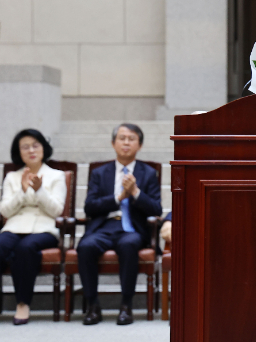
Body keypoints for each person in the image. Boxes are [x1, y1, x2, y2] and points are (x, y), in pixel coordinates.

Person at [77, 123, 162, 326]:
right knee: (85, 246)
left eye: (131, 139)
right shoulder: (99, 172)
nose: (126, 142)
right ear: (113, 143)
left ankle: (126, 305)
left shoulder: (148, 173)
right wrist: (118, 198)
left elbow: (156, 209)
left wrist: (135, 193)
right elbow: (89, 207)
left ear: (139, 145)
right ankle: (93, 305)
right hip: (104, 227)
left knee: (129, 244)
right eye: (122, 138)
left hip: (131, 228)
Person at [0, 129, 66, 325]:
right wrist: (22, 190)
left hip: (44, 229)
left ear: (44, 149)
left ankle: (22, 303)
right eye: (25, 147)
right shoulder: (12, 176)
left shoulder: (56, 176)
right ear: (18, 152)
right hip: (14, 226)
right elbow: (5, 211)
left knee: (25, 248)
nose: (31, 150)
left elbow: (56, 211)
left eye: (35, 145)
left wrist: (39, 191)